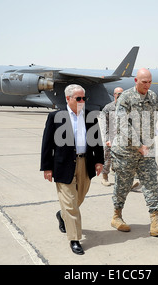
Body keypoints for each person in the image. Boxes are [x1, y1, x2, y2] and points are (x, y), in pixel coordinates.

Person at [40, 84, 104, 255]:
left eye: (84, 98)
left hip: (85, 164)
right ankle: (75, 239)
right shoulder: (55, 117)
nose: (82, 101)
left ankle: (62, 215)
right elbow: (47, 144)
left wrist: (99, 161)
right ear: (67, 99)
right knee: (70, 204)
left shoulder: (90, 117)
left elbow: (97, 141)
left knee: (78, 198)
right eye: (78, 98)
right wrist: (47, 167)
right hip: (63, 164)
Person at [110, 68, 158, 237]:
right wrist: (138, 144)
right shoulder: (126, 97)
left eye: (150, 81)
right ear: (136, 80)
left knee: (151, 183)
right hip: (126, 152)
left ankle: (155, 223)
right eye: (144, 82)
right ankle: (117, 216)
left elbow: (153, 121)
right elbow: (122, 124)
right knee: (122, 186)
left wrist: (149, 142)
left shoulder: (152, 97)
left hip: (146, 152)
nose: (147, 85)